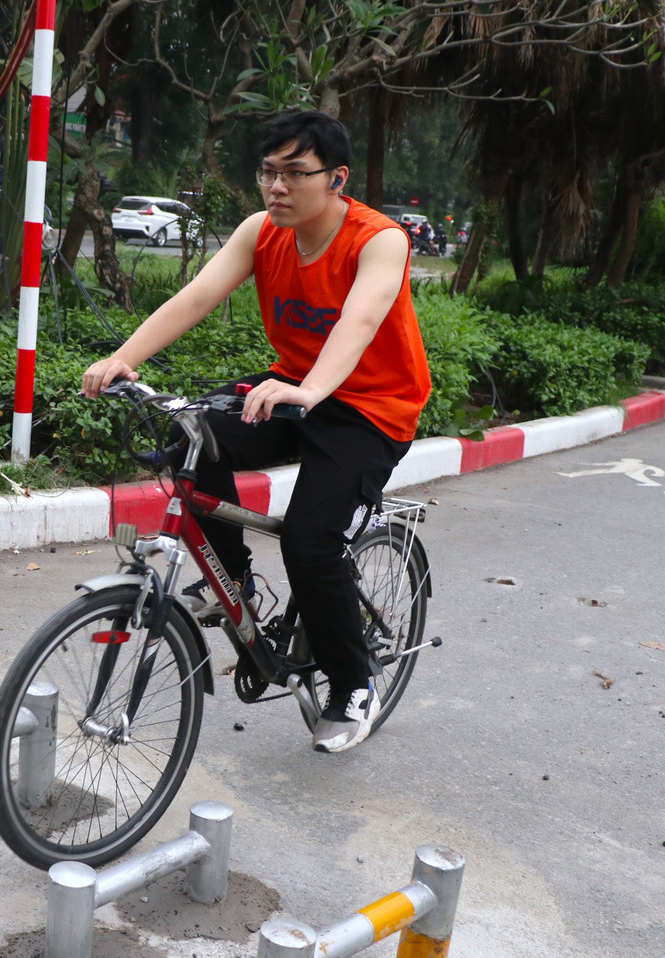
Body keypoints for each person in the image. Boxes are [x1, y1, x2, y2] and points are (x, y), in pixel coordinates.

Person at [82, 110, 431, 754]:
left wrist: (308, 391)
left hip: (370, 408)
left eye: (295, 173)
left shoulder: (378, 240)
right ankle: (233, 582)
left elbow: (359, 321)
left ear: (336, 179)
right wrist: (124, 356)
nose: (277, 187)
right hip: (292, 388)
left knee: (309, 540)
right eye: (268, 172)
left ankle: (354, 681)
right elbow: (194, 297)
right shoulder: (260, 232)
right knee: (192, 438)